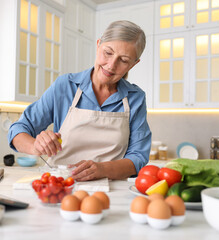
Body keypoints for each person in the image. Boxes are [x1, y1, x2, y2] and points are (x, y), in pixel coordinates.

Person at [8, 20, 151, 181]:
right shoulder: (65, 86)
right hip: (58, 185)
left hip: (110, 190)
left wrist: (102, 169)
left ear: (133, 64)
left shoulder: (135, 98)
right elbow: (18, 129)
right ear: (98, 45)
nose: (111, 65)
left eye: (123, 60)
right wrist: (36, 146)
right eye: (108, 53)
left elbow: (138, 157)